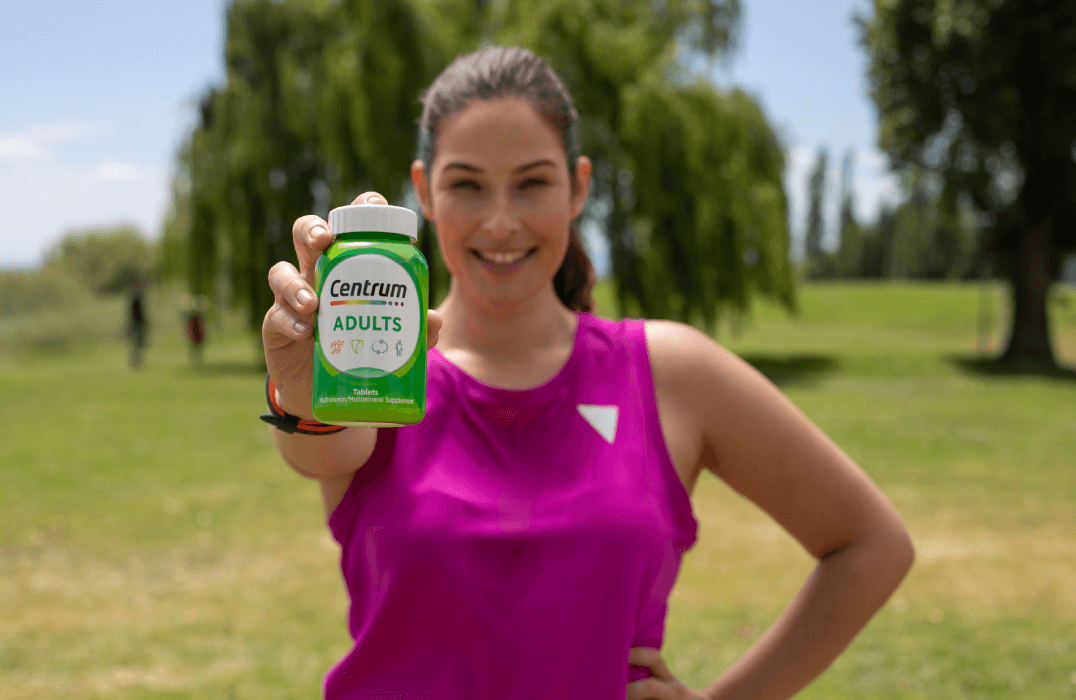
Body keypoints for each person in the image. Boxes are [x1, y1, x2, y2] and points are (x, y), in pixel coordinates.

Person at [261, 46, 914, 700]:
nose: (501, 220)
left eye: (532, 182)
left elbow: (870, 544)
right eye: (466, 183)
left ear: (578, 186)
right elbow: (318, 441)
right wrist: (300, 386)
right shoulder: (372, 376)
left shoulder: (667, 373)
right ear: (424, 191)